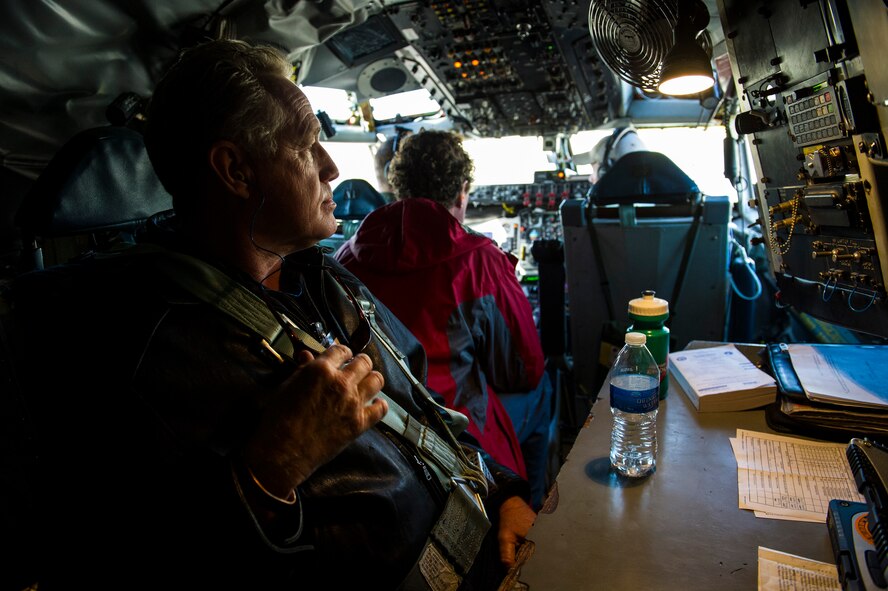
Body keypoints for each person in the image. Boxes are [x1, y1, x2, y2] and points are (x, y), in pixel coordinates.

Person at [9, 39, 535, 589]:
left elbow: (428, 412)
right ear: (236, 169)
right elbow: (133, 559)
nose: (331, 167)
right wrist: (270, 468)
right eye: (307, 146)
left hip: (484, 536)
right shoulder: (139, 345)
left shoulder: (324, 277)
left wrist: (503, 491)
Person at [334, 130, 552, 510]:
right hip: (457, 435)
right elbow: (523, 369)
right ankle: (529, 509)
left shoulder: (344, 257)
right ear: (462, 191)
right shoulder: (480, 259)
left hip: (377, 429)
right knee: (543, 386)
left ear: (399, 187)